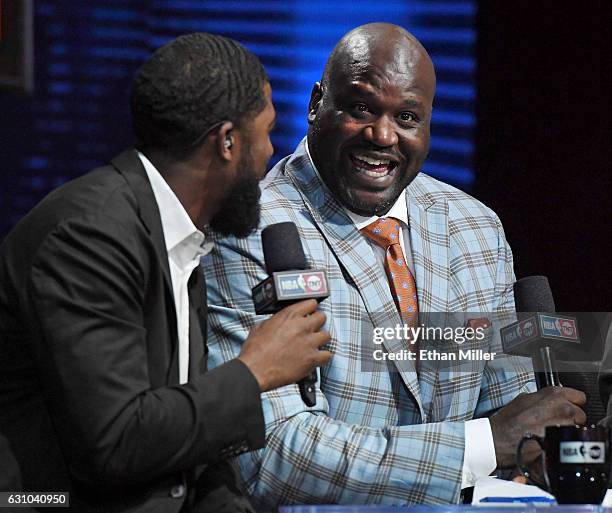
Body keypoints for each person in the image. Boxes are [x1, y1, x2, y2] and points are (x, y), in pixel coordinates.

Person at [203, 23, 586, 506]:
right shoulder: (249, 229)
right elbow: (270, 454)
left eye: (407, 117)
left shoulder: (474, 227)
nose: (383, 136)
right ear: (317, 104)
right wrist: (483, 443)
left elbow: (515, 422)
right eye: (362, 108)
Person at [0, 33, 331, 512]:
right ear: (227, 142)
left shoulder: (178, 231)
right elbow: (115, 442)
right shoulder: (89, 236)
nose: (270, 153)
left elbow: (188, 437)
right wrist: (254, 371)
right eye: (266, 131)